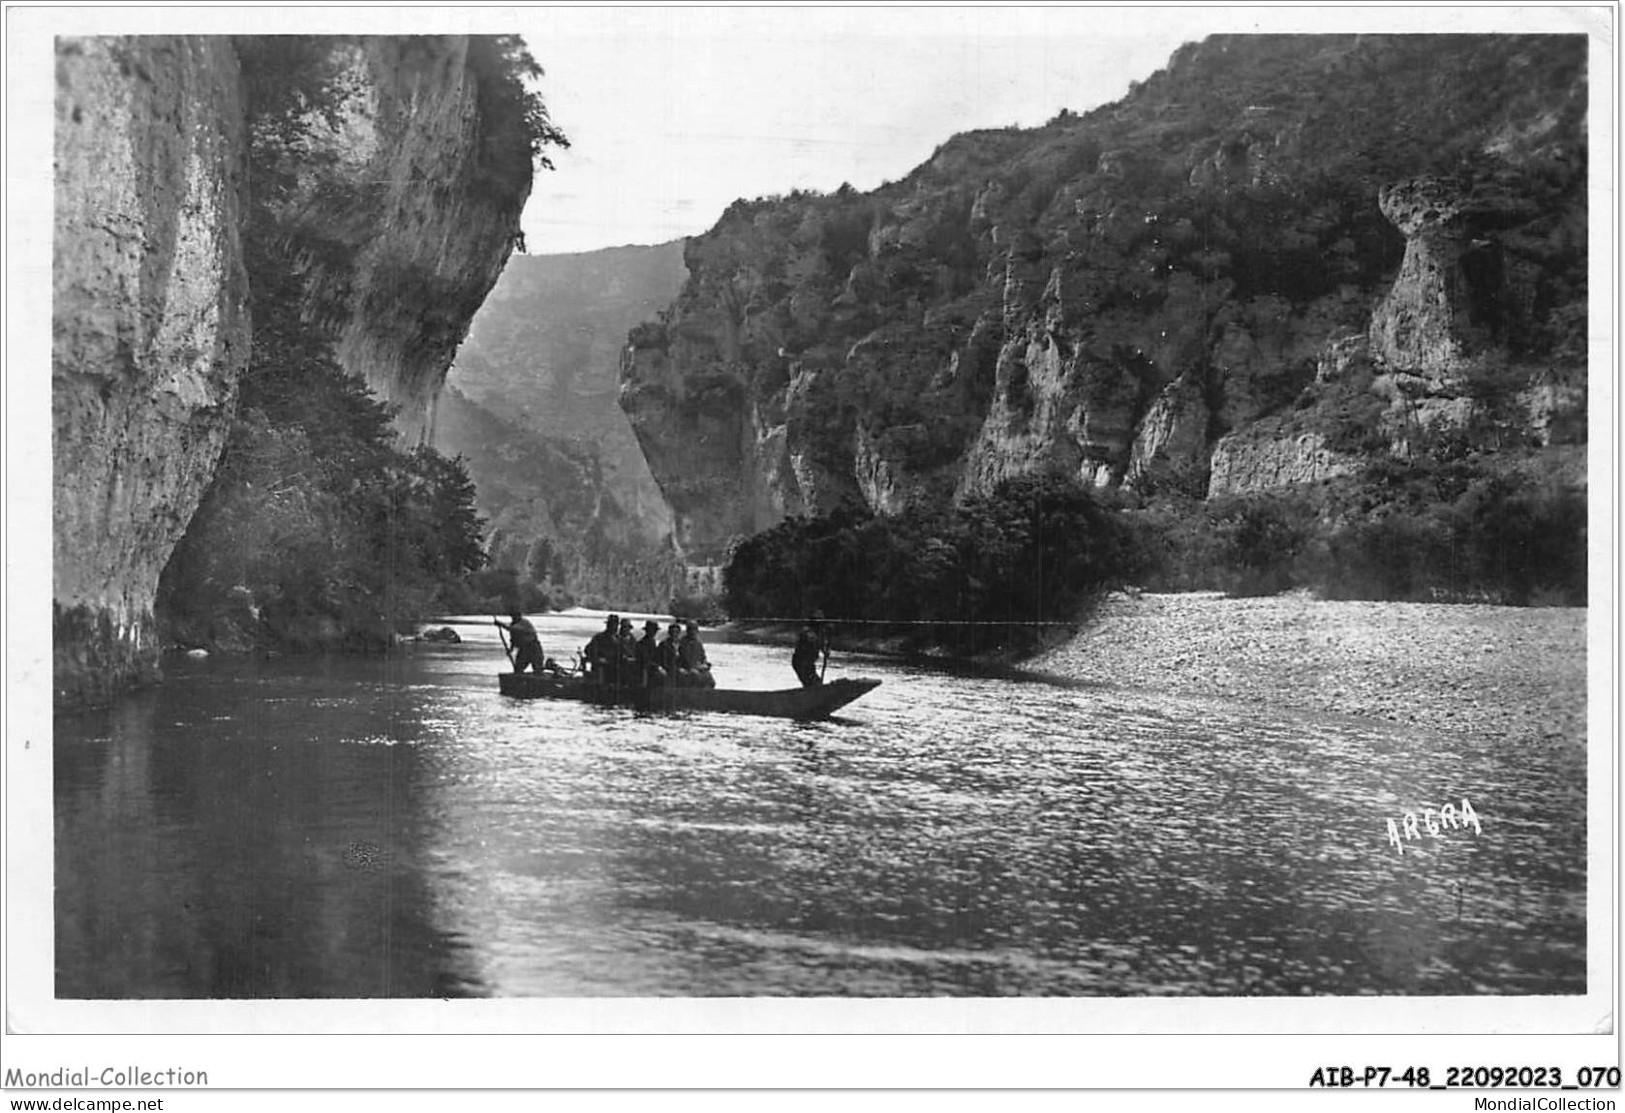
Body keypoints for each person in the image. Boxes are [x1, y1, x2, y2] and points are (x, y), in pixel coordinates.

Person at [792, 615, 828, 688]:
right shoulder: (808, 632)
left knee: (813, 683)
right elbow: (813, 641)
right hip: (801, 662)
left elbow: (821, 646)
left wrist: (825, 651)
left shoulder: (817, 633)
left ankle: (813, 692)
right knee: (811, 682)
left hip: (808, 663)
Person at [584, 614, 622, 685]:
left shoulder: (620, 639)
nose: (614, 626)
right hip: (603, 666)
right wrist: (598, 658)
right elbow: (588, 650)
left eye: (615, 624)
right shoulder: (599, 637)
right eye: (611, 624)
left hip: (618, 665)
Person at [677, 620, 715, 688]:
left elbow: (703, 657)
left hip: (698, 668)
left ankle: (706, 696)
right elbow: (680, 658)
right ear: (687, 630)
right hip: (686, 669)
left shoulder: (698, 643)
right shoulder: (682, 642)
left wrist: (705, 664)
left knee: (710, 680)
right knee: (695, 675)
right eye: (691, 629)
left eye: (695, 629)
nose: (693, 632)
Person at [634, 619, 666, 686]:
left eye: (655, 630)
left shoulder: (654, 642)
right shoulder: (641, 643)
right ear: (647, 631)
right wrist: (658, 667)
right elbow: (645, 660)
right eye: (651, 630)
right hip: (644, 670)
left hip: (653, 668)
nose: (654, 632)